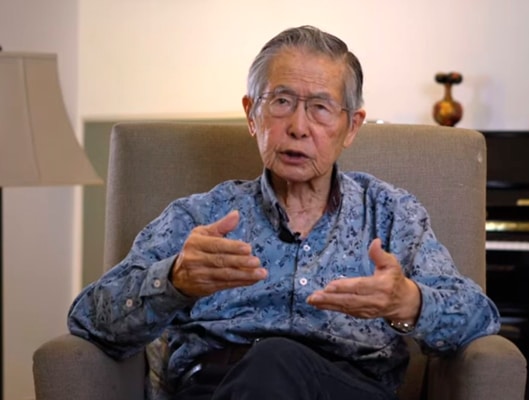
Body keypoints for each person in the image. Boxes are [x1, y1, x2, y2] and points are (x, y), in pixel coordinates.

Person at [68, 25, 500, 400]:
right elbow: (89, 319)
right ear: (251, 115)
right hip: (214, 387)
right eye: (281, 102)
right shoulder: (201, 217)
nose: (298, 127)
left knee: (276, 360)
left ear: (351, 126)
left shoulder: (390, 215)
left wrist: (409, 302)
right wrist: (175, 280)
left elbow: (480, 318)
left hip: (347, 387)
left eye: (320, 108)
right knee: (267, 368)